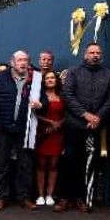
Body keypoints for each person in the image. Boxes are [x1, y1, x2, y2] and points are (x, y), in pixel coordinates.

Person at [56, 43, 110, 212]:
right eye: (92, 52)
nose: (95, 55)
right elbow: (67, 95)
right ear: (85, 55)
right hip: (75, 125)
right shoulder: (74, 72)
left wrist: (97, 117)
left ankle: (81, 198)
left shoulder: (108, 74)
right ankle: (64, 198)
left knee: (88, 163)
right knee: (69, 161)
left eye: (98, 52)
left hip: (95, 126)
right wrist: (85, 114)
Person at [0, 51, 45, 210]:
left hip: (24, 128)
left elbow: (44, 100)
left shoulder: (36, 78)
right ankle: (0, 197)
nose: (22, 63)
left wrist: (41, 105)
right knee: (1, 164)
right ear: (13, 62)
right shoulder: (0, 77)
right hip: (3, 127)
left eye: (25, 60)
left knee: (25, 164)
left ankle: (24, 197)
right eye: (19, 60)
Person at [34, 71, 65, 206]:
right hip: (43, 132)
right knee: (41, 164)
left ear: (56, 80)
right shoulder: (39, 96)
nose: (50, 80)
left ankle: (50, 195)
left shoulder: (63, 95)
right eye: (47, 78)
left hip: (58, 133)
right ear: (44, 81)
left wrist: (58, 124)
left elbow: (68, 113)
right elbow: (34, 113)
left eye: (53, 77)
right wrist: (49, 122)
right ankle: (40, 195)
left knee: (53, 165)